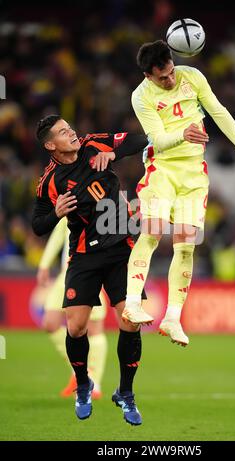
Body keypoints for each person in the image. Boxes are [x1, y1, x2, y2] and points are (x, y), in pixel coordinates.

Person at [122, 40, 235, 346]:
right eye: (162, 77)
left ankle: (173, 319)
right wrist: (183, 134)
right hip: (161, 168)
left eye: (170, 71)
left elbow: (218, 111)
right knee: (151, 233)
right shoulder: (141, 97)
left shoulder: (191, 76)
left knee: (186, 246)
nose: (170, 79)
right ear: (148, 76)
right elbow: (158, 140)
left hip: (194, 172)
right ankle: (133, 303)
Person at [32, 115, 148, 425]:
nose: (71, 132)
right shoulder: (50, 181)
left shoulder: (94, 143)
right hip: (84, 257)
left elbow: (142, 139)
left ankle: (125, 392)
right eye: (62, 131)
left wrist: (115, 152)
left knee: (130, 320)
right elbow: (38, 224)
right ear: (50, 144)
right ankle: (83, 384)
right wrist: (55, 213)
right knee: (76, 327)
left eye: (70, 127)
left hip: (122, 250)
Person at [37, 217, 107, 400]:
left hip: (91, 273)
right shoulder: (71, 201)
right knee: (50, 323)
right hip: (66, 275)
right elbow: (59, 234)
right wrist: (44, 264)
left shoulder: (102, 206)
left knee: (93, 328)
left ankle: (95, 382)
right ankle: (79, 372)